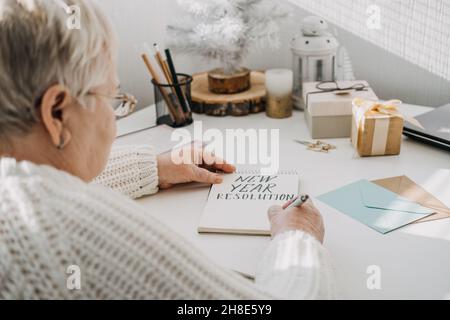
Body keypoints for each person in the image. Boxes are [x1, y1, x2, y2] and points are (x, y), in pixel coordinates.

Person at [0, 0, 335, 299]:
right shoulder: (63, 232)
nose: (115, 118)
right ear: (57, 112)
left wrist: (154, 168)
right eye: (112, 99)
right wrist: (298, 240)